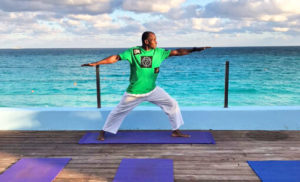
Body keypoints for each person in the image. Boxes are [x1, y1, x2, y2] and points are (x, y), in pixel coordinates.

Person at [82, 31, 211, 140]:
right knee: (118, 112)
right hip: (134, 93)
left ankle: (175, 130)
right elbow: (115, 58)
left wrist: (194, 49)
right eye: (154, 40)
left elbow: (177, 52)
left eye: (156, 39)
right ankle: (103, 132)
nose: (156, 42)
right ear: (146, 42)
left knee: (172, 104)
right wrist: (96, 63)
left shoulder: (159, 52)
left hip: (152, 90)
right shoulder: (134, 51)